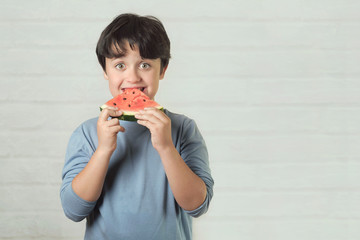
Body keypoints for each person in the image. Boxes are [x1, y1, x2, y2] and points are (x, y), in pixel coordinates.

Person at [60, 13, 214, 240]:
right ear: (105, 70)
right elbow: (73, 210)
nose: (132, 77)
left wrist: (166, 147)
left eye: (144, 65)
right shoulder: (87, 133)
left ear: (162, 70)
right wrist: (103, 151)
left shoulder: (183, 129)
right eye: (120, 65)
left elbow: (197, 206)